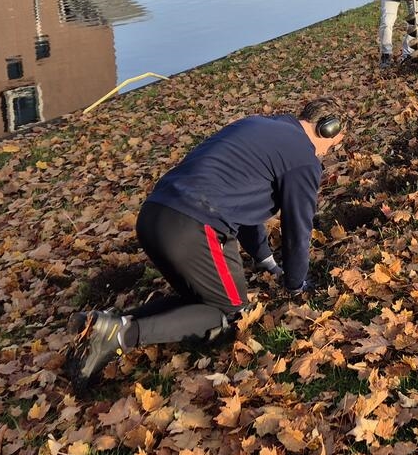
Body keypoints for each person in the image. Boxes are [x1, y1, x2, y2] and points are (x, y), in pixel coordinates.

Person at [65, 98, 346, 393]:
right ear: (326, 129)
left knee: (201, 299)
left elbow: (244, 207)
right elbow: (298, 228)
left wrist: (265, 260)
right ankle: (122, 335)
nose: (328, 154)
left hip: (154, 215)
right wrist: (296, 283)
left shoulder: (261, 127)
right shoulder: (304, 157)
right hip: (196, 224)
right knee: (230, 313)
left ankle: (104, 325)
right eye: (333, 146)